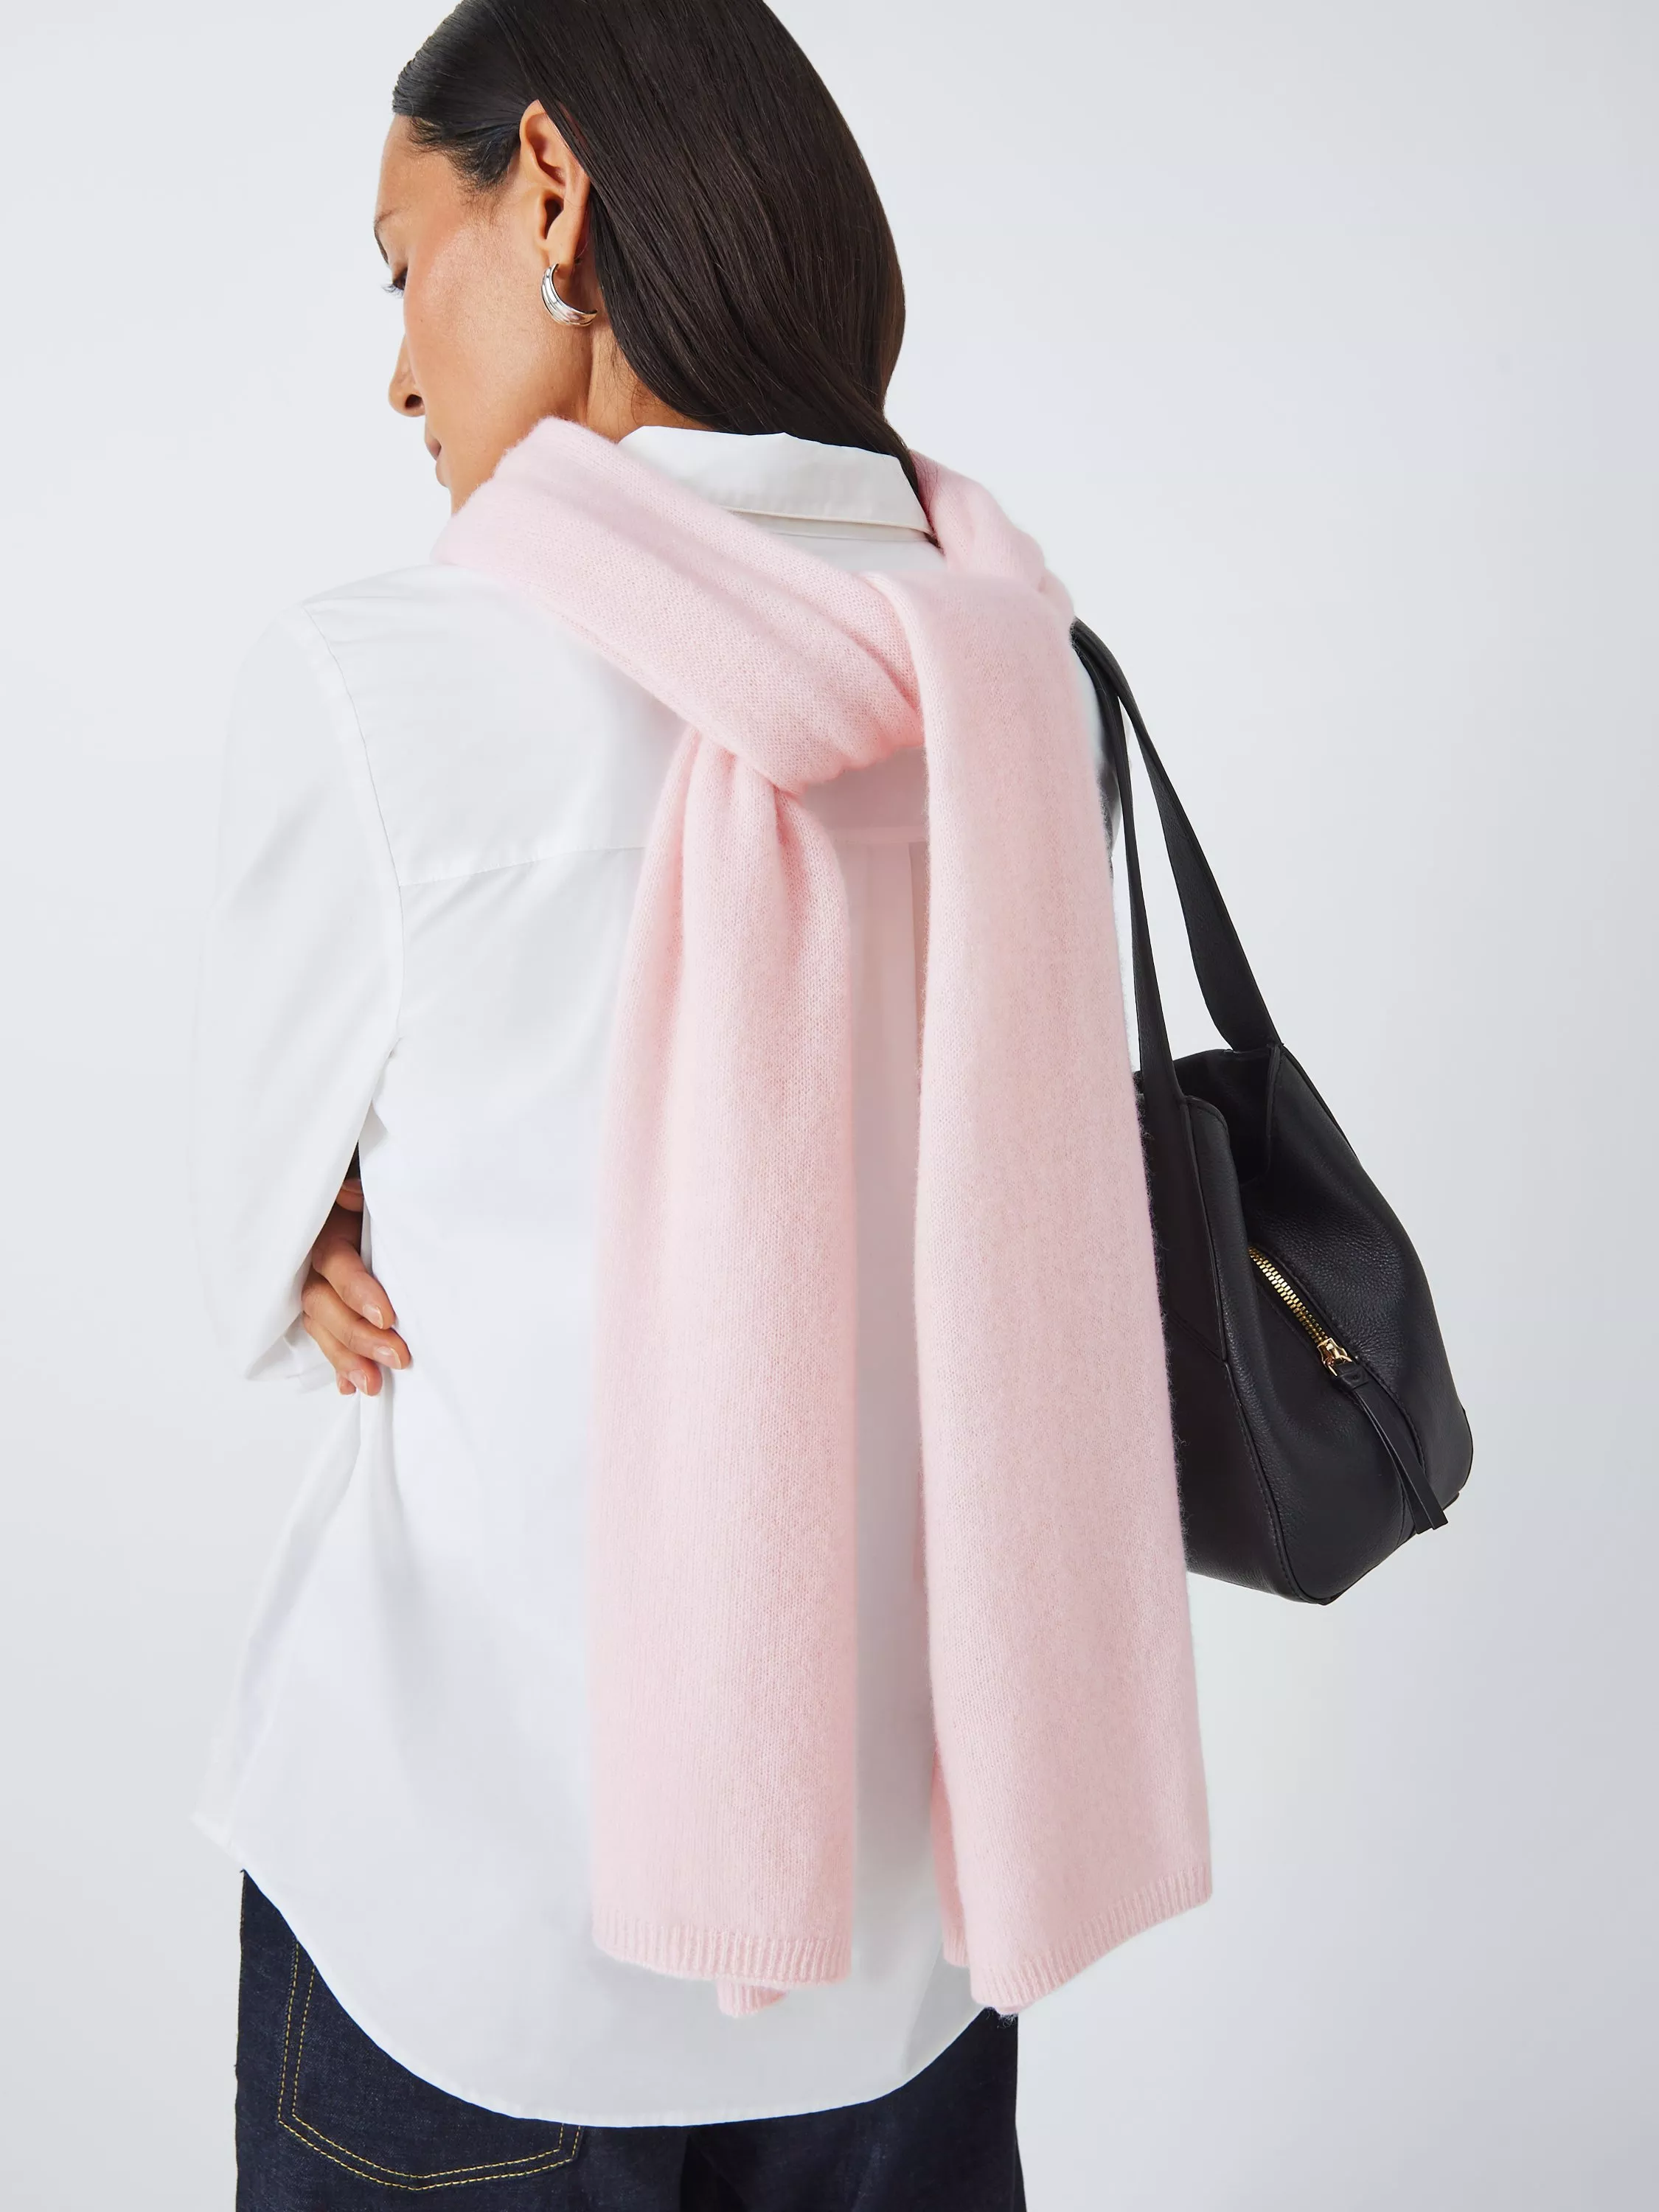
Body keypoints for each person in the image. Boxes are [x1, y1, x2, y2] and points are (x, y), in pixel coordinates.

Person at [191, 3, 1211, 2205]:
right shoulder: (1015, 670)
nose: (397, 377)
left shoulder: (378, 679)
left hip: (472, 1929)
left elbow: (242, 1248)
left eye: (405, 265)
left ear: (551, 194)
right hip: (917, 1956)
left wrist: (326, 1216)